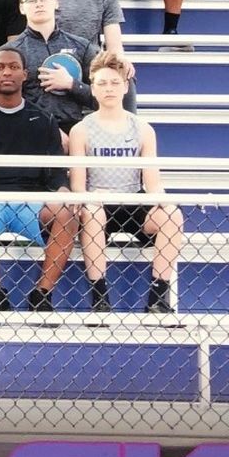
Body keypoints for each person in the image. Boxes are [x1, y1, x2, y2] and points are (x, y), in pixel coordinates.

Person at [0, 46, 77, 312]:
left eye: (13, 67)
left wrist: (63, 189)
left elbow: (55, 171)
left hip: (33, 201)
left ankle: (42, 295)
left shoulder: (43, 119)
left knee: (68, 213)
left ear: (24, 74)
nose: (6, 72)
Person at [70, 52, 183, 313]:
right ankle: (100, 297)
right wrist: (90, 200)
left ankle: (158, 297)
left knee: (172, 216)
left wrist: (164, 202)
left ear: (125, 86)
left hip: (133, 200)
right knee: (93, 212)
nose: (108, 88)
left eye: (114, 82)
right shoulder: (81, 130)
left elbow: (152, 183)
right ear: (93, 88)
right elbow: (78, 184)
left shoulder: (142, 128)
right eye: (102, 83)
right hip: (99, 203)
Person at [7, 0, 98, 139]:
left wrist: (72, 84)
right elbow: (7, 101)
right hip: (29, 131)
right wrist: (50, 129)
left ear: (56, 2)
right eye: (31, 0)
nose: (39, 4)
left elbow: (101, 97)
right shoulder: (10, 52)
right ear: (21, 8)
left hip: (74, 131)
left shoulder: (82, 47)